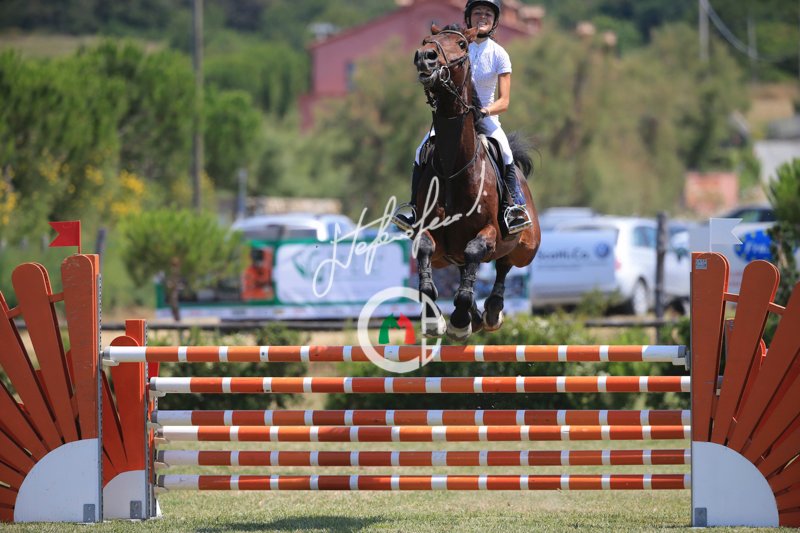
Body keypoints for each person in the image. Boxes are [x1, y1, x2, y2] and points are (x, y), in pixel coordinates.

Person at [393, 0, 532, 235]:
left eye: (488, 13)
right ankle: (414, 209)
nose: (482, 17)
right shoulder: (455, 48)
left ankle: (513, 208)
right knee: (421, 151)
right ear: (468, 18)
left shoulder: (499, 54)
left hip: (485, 117)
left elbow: (504, 101)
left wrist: (483, 111)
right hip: (454, 117)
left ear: (495, 20)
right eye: (477, 12)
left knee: (506, 152)